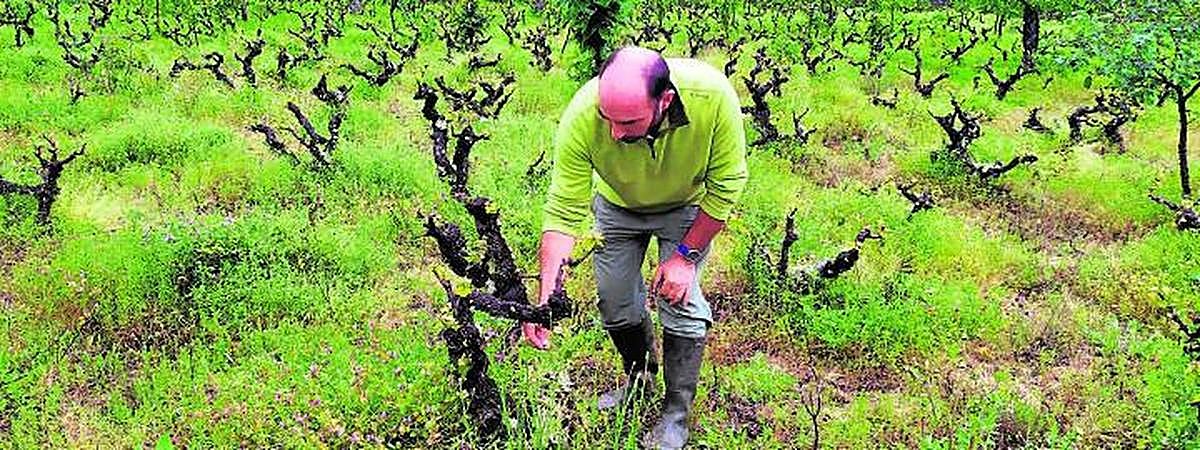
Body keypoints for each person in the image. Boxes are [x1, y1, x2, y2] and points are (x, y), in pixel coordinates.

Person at [523, 46, 748, 449]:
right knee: (615, 301)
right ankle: (640, 380)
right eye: (607, 118)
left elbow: (727, 186)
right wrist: (545, 299)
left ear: (665, 101)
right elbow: (563, 211)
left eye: (628, 121)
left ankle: (676, 415)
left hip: (685, 207)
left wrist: (685, 258)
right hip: (617, 207)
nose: (614, 132)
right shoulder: (584, 114)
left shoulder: (712, 98)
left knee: (679, 301)